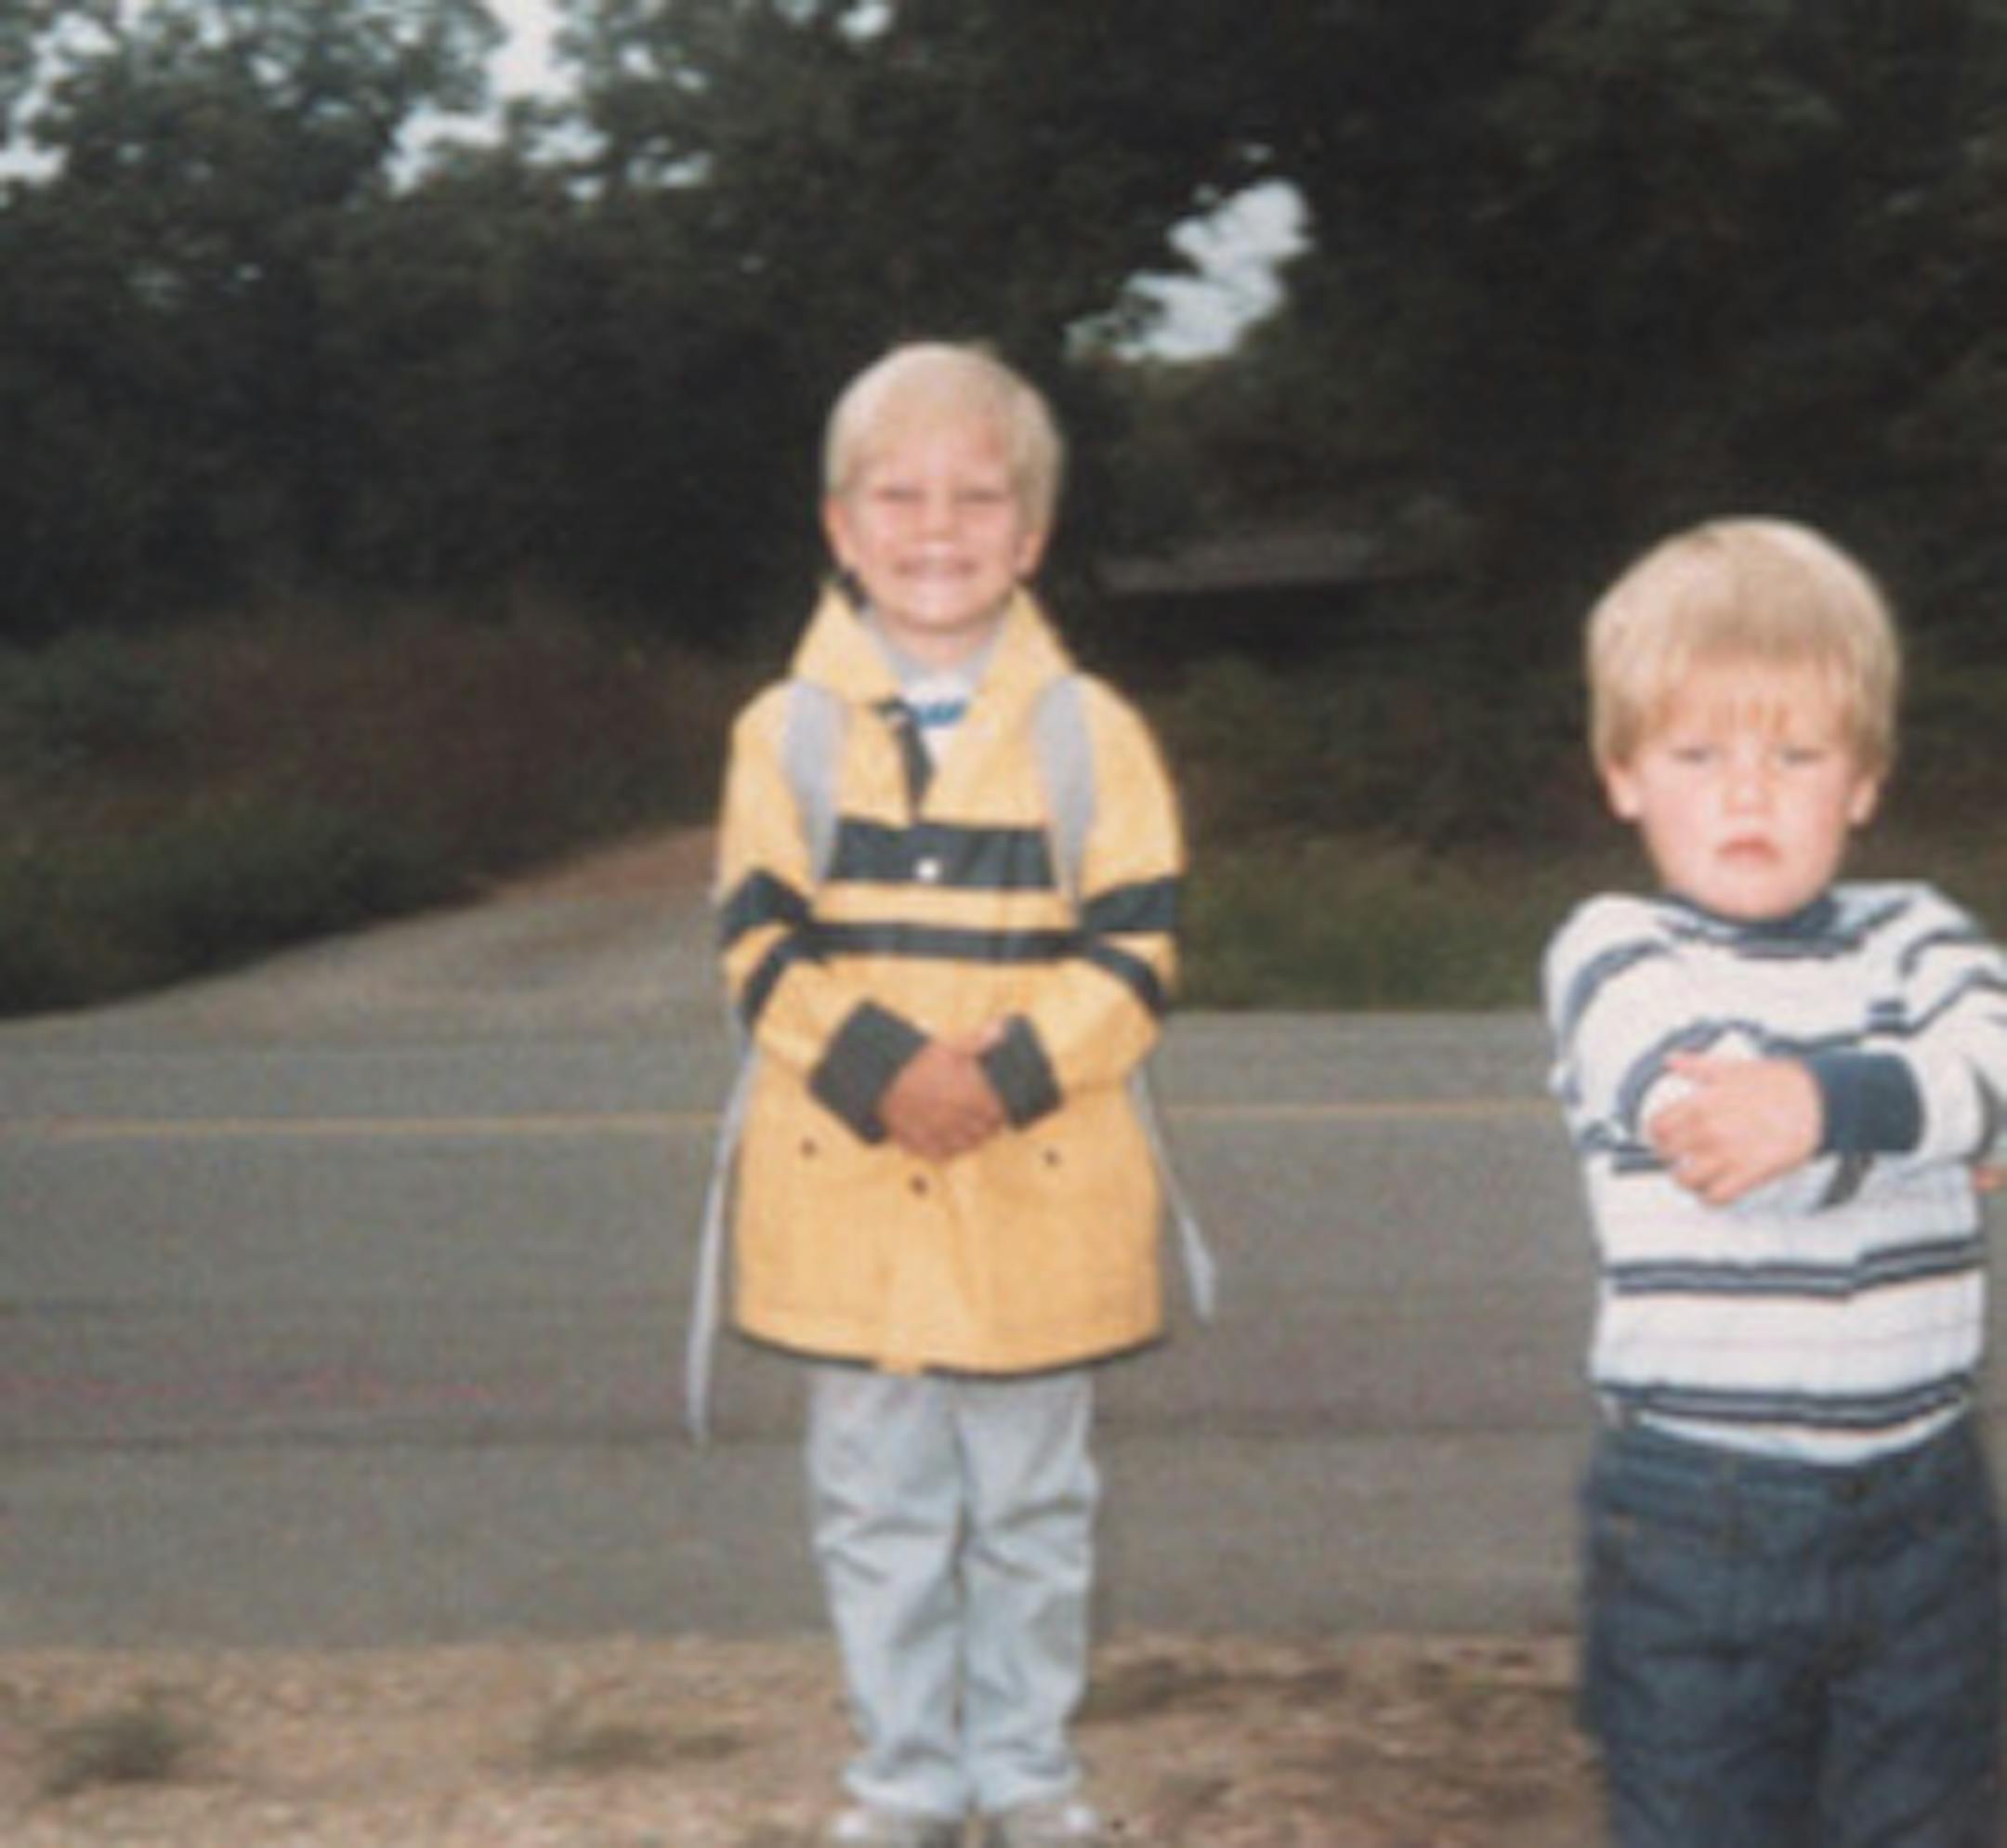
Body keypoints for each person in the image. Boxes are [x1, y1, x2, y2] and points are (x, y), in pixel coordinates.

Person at [709, 343, 1186, 1848]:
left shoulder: (1086, 731)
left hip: (1037, 1192)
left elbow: (1137, 949)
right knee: (881, 1506)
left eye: (977, 497)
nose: (937, 527)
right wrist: (885, 1072)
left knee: (1034, 1509)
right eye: (897, 495)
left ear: (1031, 532)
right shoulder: (782, 731)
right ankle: (908, 1775)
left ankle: (1029, 1775)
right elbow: (760, 946)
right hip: (849, 1201)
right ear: (842, 526)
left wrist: (1003, 1076)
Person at [1542, 515, 2007, 1846]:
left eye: (1795, 754)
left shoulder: (1922, 930)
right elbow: (1727, 1140)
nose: (1749, 794)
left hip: (1924, 1512)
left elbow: (1996, 1060)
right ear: (1624, 772)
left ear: (1861, 779)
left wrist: (1833, 1106)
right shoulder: (1613, 952)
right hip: (1694, 1521)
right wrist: (1919, 1128)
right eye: (1700, 755)